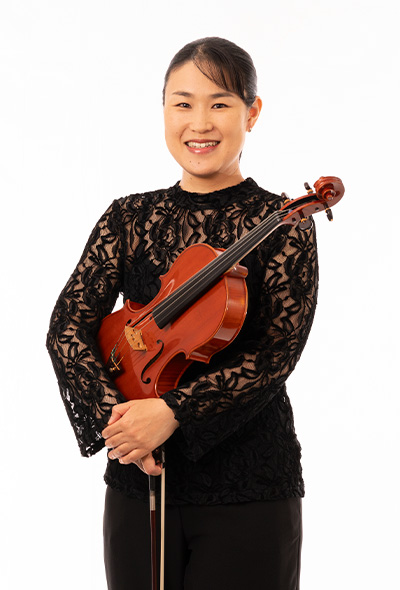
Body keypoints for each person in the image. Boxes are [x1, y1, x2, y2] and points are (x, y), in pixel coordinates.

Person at [47, 37, 318, 590]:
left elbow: (275, 354)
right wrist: (121, 424)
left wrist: (172, 411)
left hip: (250, 486)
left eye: (219, 103)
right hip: (137, 481)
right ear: (165, 111)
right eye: (183, 103)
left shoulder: (284, 222)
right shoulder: (128, 217)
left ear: (252, 113)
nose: (200, 123)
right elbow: (67, 328)